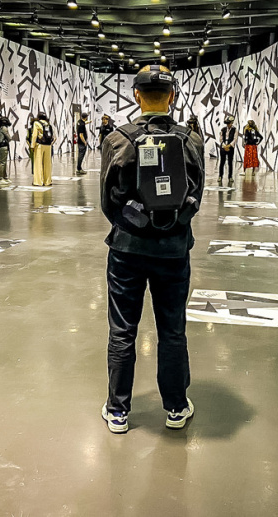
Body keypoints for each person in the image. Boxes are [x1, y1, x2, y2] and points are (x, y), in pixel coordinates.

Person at [100, 65, 204, 434]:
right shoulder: (191, 140)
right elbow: (196, 198)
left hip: (127, 251)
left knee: (123, 330)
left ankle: (118, 411)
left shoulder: (117, 140)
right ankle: (176, 406)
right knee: (172, 330)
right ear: (172, 97)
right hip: (174, 251)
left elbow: (107, 204)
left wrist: (135, 223)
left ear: (135, 96)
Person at [31, 112, 55, 187]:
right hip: (48, 145)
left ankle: (38, 181)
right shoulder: (48, 124)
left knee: (38, 163)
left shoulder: (36, 123)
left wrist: (32, 145)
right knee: (47, 164)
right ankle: (47, 181)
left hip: (40, 145)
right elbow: (53, 136)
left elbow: (34, 135)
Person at [0, 113, 11, 185]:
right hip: (3, 146)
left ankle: (4, 177)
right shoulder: (4, 128)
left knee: (2, 162)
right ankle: (0, 178)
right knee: (2, 162)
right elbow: (9, 138)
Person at [219, 115, 236, 184]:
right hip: (223, 147)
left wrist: (229, 146)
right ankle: (220, 176)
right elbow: (220, 139)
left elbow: (235, 139)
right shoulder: (223, 129)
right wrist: (224, 145)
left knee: (230, 163)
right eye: (227, 123)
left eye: (229, 123)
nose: (228, 125)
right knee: (222, 162)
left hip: (230, 148)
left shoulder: (235, 130)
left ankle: (230, 176)